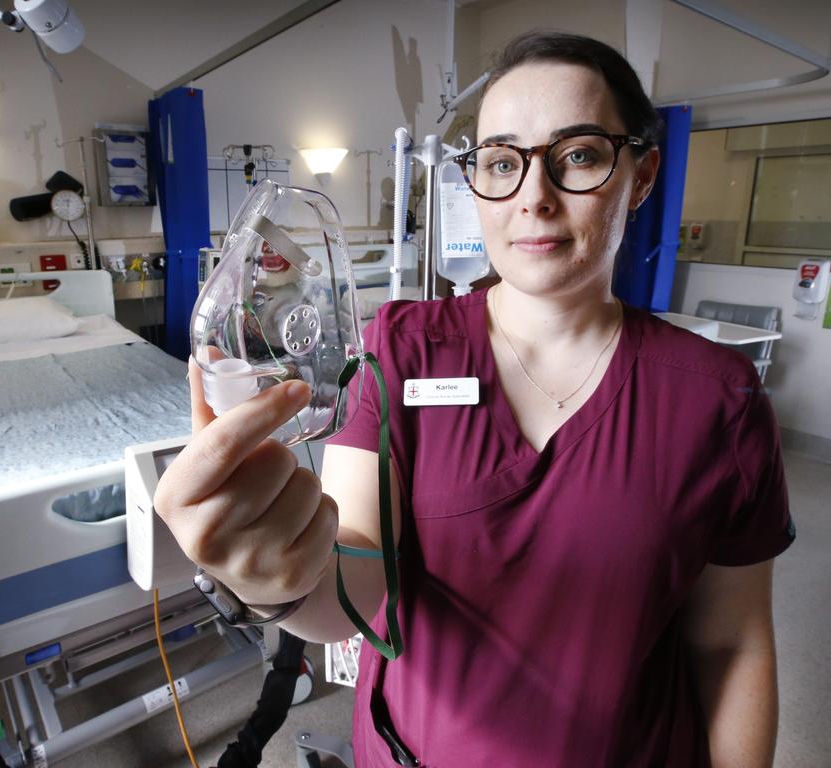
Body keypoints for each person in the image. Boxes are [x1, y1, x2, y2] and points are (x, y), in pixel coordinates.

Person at [154, 31, 795, 767]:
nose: (533, 197)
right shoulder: (403, 347)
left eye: (578, 155)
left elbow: (731, 641)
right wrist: (279, 577)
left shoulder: (718, 399)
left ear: (641, 175)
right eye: (501, 162)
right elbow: (358, 582)